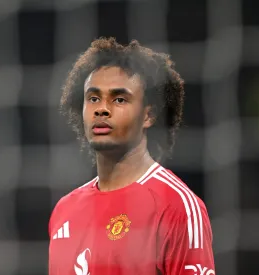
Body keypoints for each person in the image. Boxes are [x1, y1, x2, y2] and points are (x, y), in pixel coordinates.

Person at [48, 37, 215, 275]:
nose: (102, 108)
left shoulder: (177, 205)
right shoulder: (65, 210)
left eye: (119, 99)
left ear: (149, 116)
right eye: (93, 98)